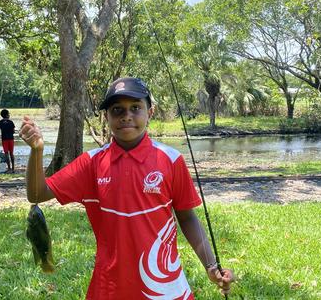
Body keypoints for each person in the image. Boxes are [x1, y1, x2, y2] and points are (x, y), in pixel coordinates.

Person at [20, 77, 235, 299]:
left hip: (164, 285)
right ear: (107, 116)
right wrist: (36, 150)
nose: (126, 116)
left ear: (150, 112)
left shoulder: (171, 160)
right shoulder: (91, 163)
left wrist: (211, 265)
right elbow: (37, 194)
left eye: (135, 108)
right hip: (109, 286)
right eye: (117, 110)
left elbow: (187, 217)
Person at [0, 109, 16, 173]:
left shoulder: (0, 122)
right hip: (11, 139)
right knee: (11, 153)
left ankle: (9, 168)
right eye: (8, 114)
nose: (9, 115)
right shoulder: (11, 122)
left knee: (6, 154)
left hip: (4, 139)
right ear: (7, 115)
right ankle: (13, 168)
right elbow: (13, 131)